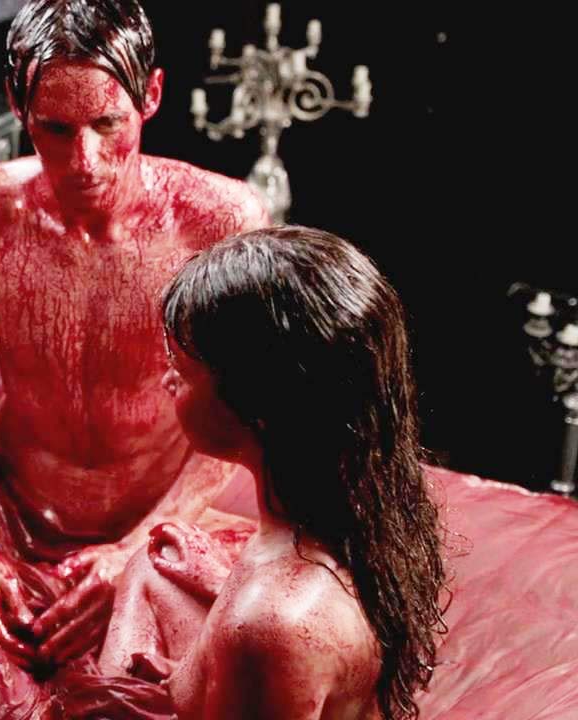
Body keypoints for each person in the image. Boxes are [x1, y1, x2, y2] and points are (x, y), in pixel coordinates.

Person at [0, 0, 270, 667]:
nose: (84, 159)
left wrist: (133, 550)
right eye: (55, 129)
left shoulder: (221, 219)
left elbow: (247, 407)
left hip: (154, 523)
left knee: (262, 642)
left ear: (150, 96)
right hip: (10, 500)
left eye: (107, 124)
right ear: (18, 106)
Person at [89, 226, 447, 720]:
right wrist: (222, 589)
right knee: (155, 562)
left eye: (183, 369)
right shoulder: (364, 499)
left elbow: (282, 629)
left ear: (257, 405)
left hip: (272, 645)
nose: (168, 379)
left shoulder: (271, 627)